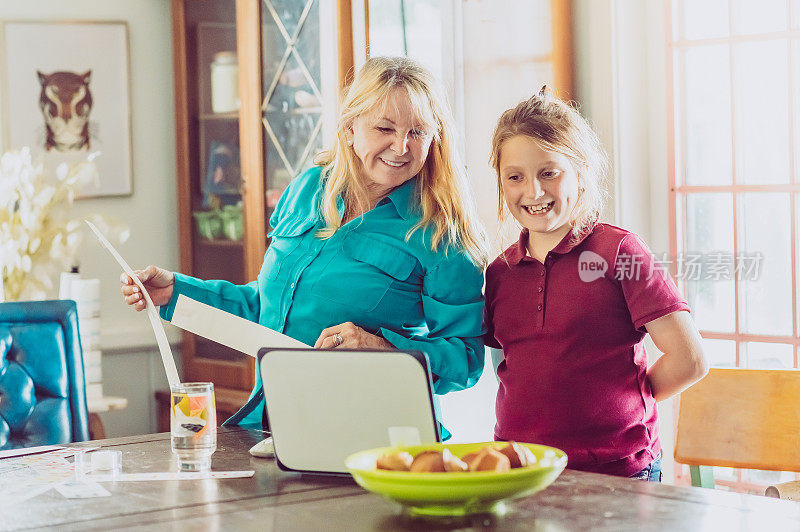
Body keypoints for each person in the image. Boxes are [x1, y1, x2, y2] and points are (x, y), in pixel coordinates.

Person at [121, 57, 488, 432]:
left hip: (378, 436)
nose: (401, 146)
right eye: (384, 128)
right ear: (349, 129)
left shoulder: (442, 232)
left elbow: (467, 360)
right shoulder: (307, 189)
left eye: (418, 132)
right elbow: (268, 308)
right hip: (276, 422)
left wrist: (383, 349)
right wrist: (176, 292)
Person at [483, 87, 708, 480]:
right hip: (520, 473)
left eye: (549, 172)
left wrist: (621, 403)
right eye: (515, 177)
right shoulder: (499, 273)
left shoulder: (621, 251)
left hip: (618, 474)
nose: (532, 191)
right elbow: (511, 364)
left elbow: (689, 359)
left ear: (582, 173)